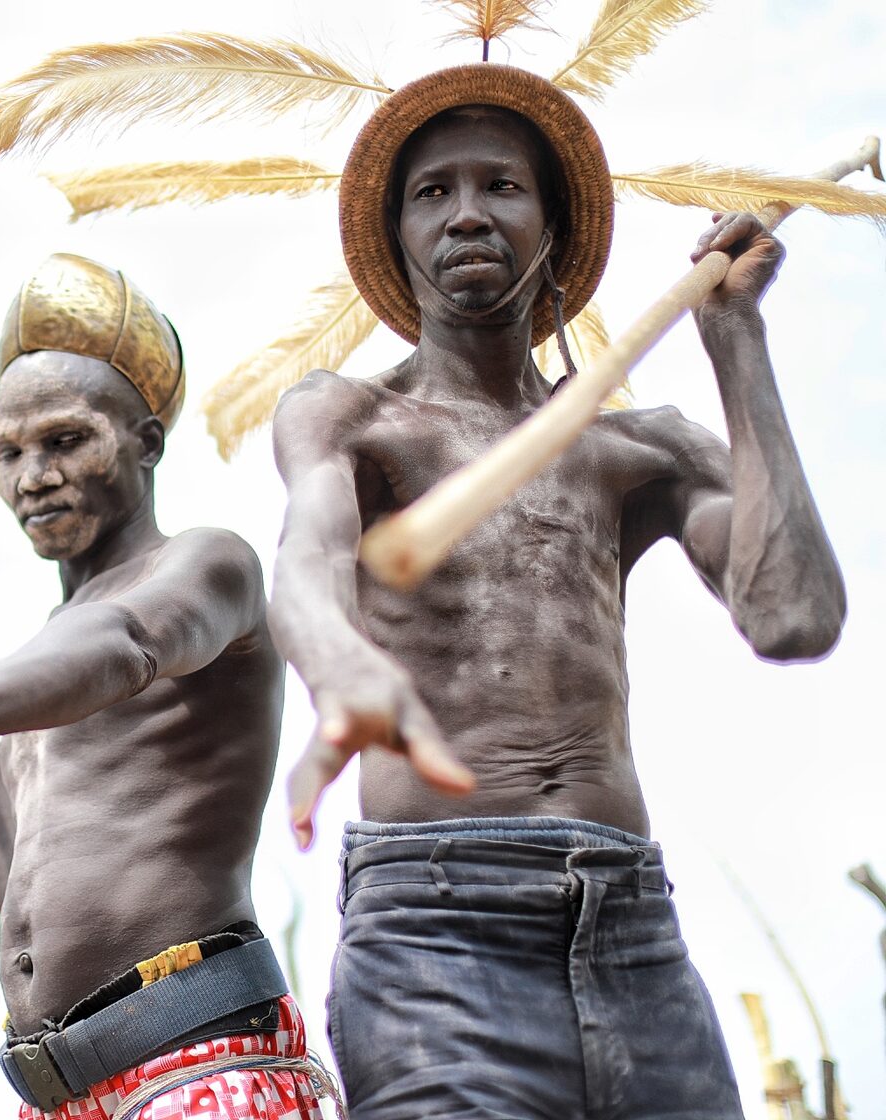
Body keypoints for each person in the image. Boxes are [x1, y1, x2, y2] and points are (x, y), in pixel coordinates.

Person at [271, 64, 846, 1117]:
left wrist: (738, 342)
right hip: (436, 931)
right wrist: (343, 666)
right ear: (399, 236)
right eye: (433, 192)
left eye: (502, 185)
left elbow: (795, 616)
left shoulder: (638, 448)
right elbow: (306, 558)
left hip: (632, 928)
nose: (468, 213)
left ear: (553, 227)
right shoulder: (352, 419)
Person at [0, 254, 335, 1120]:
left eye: (66, 440)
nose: (33, 474)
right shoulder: (23, 681)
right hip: (58, 1094)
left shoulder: (206, 565)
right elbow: (22, 902)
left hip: (195, 1063)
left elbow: (128, 640)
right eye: (10, 452)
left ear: (147, 442)